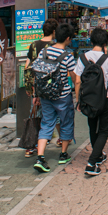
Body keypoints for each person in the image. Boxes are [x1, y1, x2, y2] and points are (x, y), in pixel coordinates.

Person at [33, 23, 77, 173]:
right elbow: (75, 77)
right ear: (67, 38)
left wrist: (36, 94)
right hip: (62, 95)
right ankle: (63, 154)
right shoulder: (68, 57)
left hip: (45, 94)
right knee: (66, 122)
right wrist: (78, 92)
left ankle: (40, 157)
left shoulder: (43, 52)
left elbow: (37, 72)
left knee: (46, 123)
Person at [74, 28, 108, 177]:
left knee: (93, 128)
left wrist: (79, 99)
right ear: (105, 42)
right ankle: (92, 163)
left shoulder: (82, 58)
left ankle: (97, 155)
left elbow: (78, 80)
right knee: (104, 130)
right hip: (105, 98)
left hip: (88, 99)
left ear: (91, 41)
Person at [23, 19, 58, 157]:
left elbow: (27, 66)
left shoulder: (33, 45)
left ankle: (31, 145)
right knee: (54, 113)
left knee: (37, 113)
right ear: (54, 31)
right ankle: (59, 140)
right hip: (51, 84)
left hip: (36, 84)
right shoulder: (55, 46)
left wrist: (29, 87)